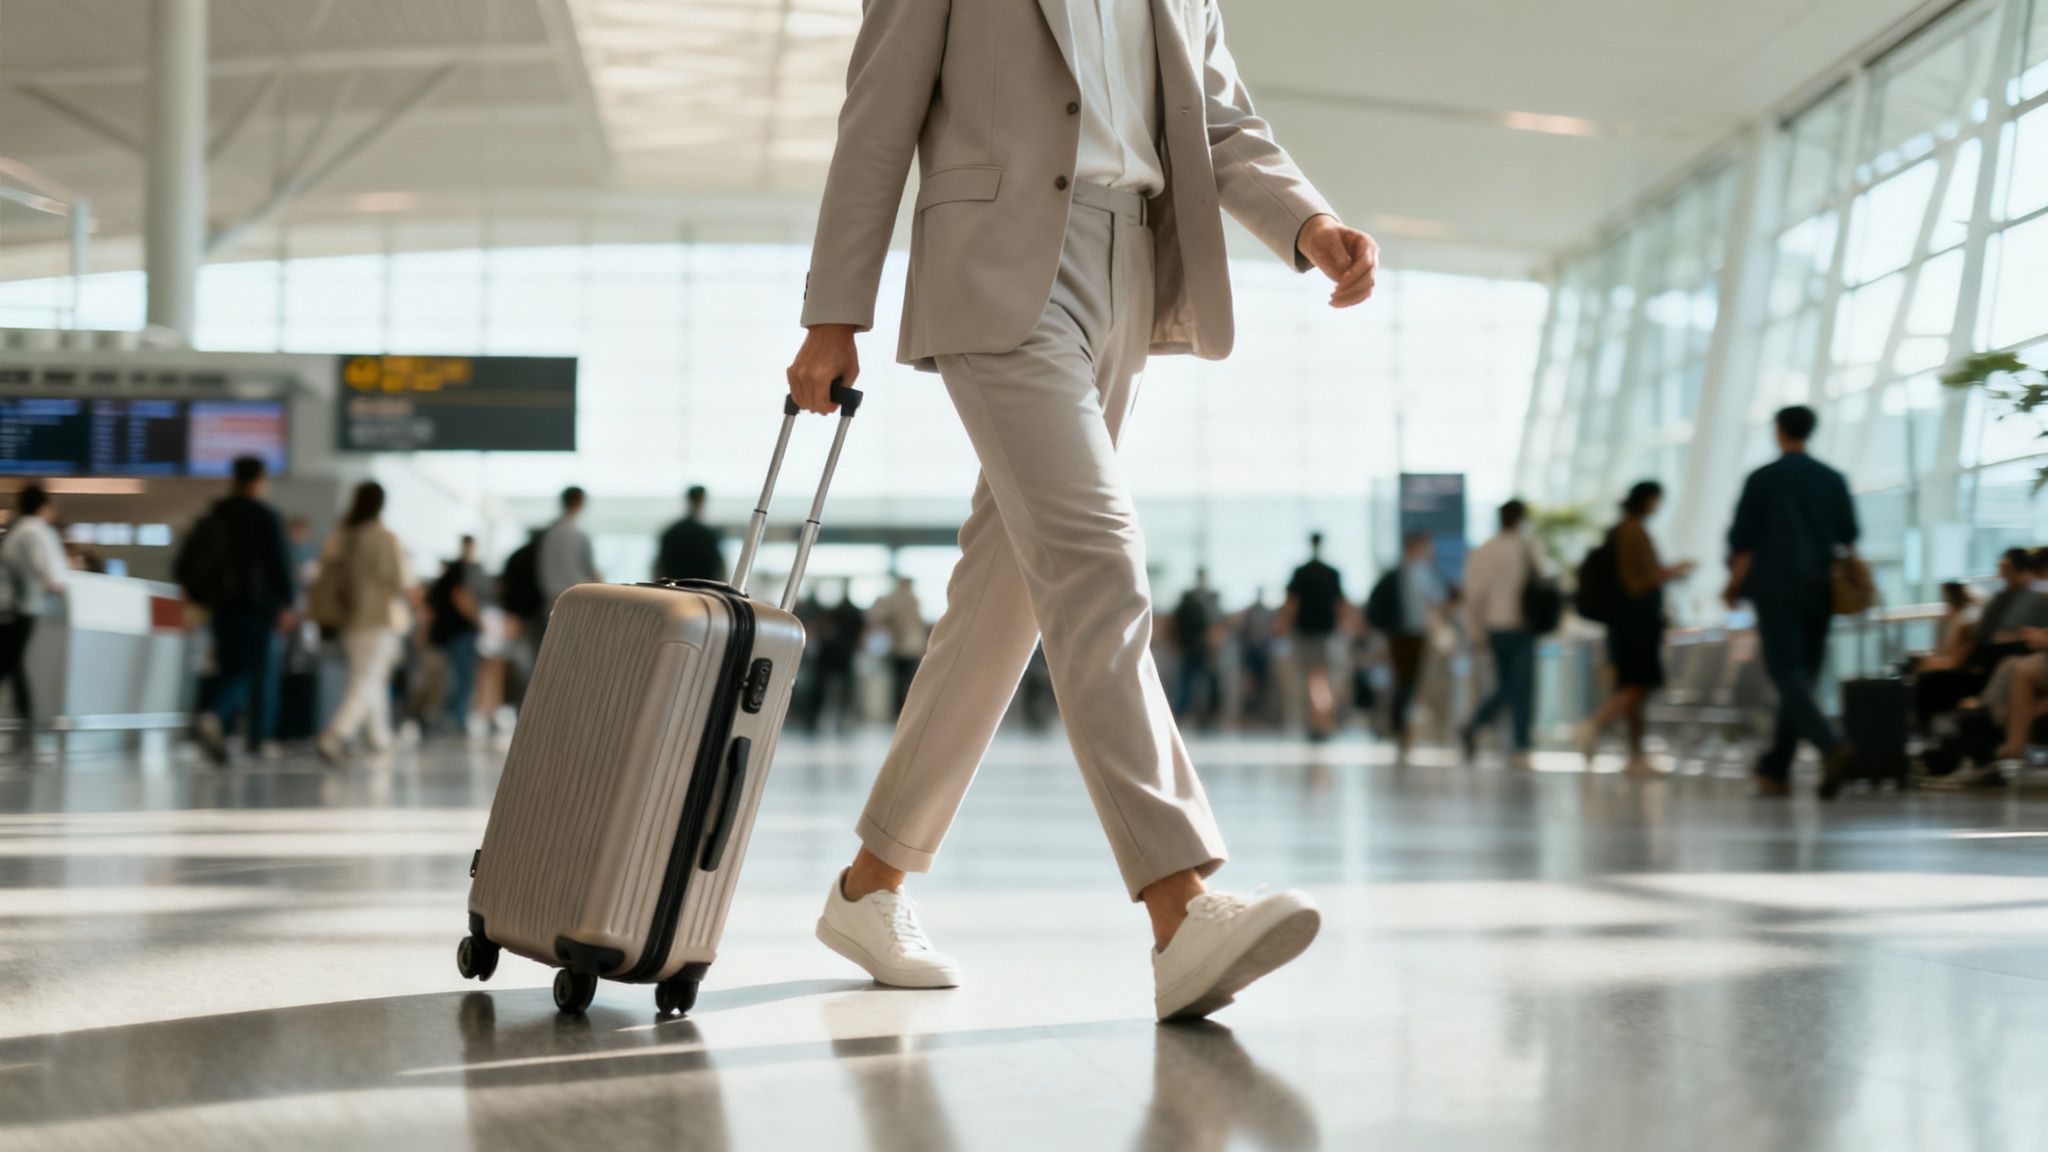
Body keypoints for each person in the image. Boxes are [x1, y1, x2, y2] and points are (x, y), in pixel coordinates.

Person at [786, 0, 1377, 1020]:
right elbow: (876, 116)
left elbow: (1218, 119)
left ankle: (870, 885)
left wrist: (1306, 220)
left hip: (1126, 275)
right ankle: (1177, 904)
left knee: (1006, 593)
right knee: (1096, 557)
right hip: (993, 263)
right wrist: (831, 318)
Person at [1724, 406, 1860, 798]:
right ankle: (1777, 768)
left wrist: (1733, 584)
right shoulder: (1831, 479)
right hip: (1820, 589)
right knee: (1802, 678)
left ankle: (1830, 744)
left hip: (1775, 588)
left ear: (1779, 432)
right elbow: (1848, 534)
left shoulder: (1763, 479)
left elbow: (1742, 541)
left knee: (1786, 673)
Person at [183, 456, 296, 766]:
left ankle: (223, 723)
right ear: (259, 480)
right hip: (257, 605)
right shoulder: (265, 516)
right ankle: (228, 723)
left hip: (222, 605)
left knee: (230, 665)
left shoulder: (218, 512)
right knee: (254, 670)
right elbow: (278, 564)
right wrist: (287, 603)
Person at [1580, 482, 1695, 773]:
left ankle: (1635, 756)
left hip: (1622, 619)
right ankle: (1596, 723)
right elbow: (1644, 579)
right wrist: (1675, 571)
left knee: (1633, 686)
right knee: (1638, 684)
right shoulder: (1634, 532)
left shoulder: (1620, 530)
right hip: (1638, 619)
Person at [311, 482, 408, 762]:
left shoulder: (345, 535)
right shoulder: (381, 537)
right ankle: (334, 736)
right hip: (376, 619)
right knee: (366, 681)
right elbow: (397, 580)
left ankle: (380, 738)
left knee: (372, 678)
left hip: (350, 621)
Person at [1459, 499, 1547, 765]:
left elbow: (1473, 595)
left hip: (1494, 627)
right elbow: (1543, 583)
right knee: (1520, 687)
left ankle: (1477, 725)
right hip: (1522, 626)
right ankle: (1518, 743)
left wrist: (1475, 629)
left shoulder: (1483, 551)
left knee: (1509, 685)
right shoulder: (1529, 547)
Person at [0, 486, 67, 753]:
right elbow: (43, 566)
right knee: (10, 663)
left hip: (12, 605)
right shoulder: (34, 530)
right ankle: (27, 726)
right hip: (21, 607)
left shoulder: (20, 529)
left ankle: (26, 723)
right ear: (43, 505)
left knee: (12, 664)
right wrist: (53, 583)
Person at [1280, 534, 1350, 739]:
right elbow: (1341, 604)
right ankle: (1322, 722)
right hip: (1327, 633)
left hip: (1306, 633)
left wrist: (1283, 625)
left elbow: (1292, 603)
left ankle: (1318, 722)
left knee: (1312, 679)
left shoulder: (1301, 573)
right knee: (1322, 678)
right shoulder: (1332, 573)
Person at [1384, 534, 1446, 752]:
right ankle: (1401, 725)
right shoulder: (1421, 572)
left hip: (1397, 634)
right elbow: (1437, 599)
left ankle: (1398, 725)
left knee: (1402, 680)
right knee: (1409, 681)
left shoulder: (1395, 572)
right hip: (1413, 634)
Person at [428, 536, 487, 737]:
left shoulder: (456, 570)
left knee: (458, 677)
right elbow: (460, 597)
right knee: (464, 678)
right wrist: (478, 620)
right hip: (460, 632)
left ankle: (453, 718)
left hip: (453, 633)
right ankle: (456, 720)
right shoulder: (459, 570)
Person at [536, 487, 600, 648]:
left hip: (552, 604)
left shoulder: (549, 535)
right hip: (579, 605)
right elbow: (592, 573)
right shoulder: (579, 536)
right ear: (579, 503)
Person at [804, 581, 868, 735]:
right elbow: (862, 637)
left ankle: (813, 721)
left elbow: (820, 630)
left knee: (820, 688)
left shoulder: (831, 612)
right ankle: (843, 721)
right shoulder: (855, 613)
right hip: (845, 654)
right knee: (846, 690)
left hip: (828, 654)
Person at [868, 574, 929, 718]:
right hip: (910, 648)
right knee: (909, 681)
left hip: (902, 647)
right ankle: (906, 711)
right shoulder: (912, 600)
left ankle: (900, 712)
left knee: (901, 681)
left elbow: (878, 617)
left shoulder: (896, 599)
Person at [1171, 569, 1221, 728]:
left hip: (1200, 647)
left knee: (1201, 683)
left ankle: (1204, 717)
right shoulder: (1192, 600)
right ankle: (1185, 715)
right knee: (1191, 684)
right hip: (1194, 647)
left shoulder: (1207, 599)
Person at [654, 485, 725, 584]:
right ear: (703, 501)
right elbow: (719, 573)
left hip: (674, 592)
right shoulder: (709, 535)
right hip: (702, 593)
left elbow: (658, 570)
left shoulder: (671, 532)